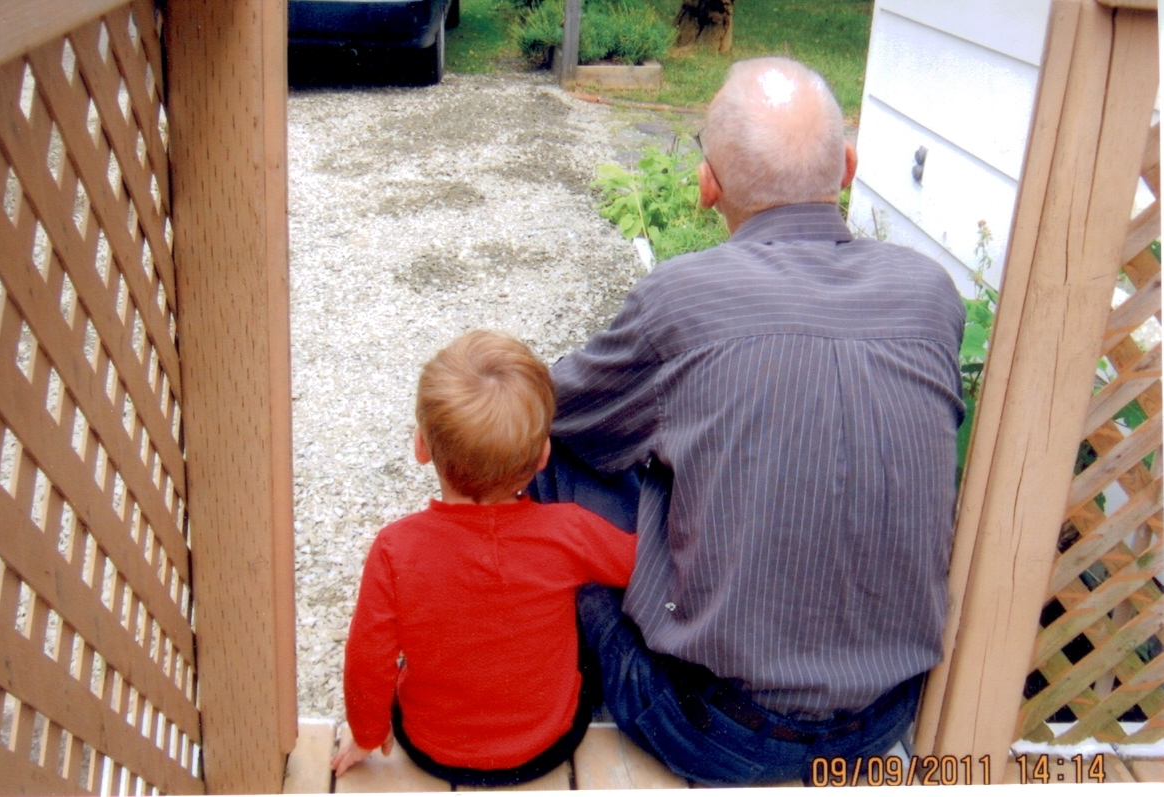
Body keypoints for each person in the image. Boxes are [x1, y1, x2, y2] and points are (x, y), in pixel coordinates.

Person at [532, 57, 965, 784]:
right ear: (848, 167)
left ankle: (522, 673)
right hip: (882, 721)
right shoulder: (928, 292)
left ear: (708, 186)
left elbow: (547, 410)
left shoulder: (682, 297)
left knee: (541, 456)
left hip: (715, 731)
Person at [332, 330, 636, 785]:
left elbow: (366, 659)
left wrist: (366, 731)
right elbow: (635, 565)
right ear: (542, 457)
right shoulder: (569, 530)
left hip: (434, 747)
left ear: (421, 447)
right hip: (548, 742)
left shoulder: (396, 548)